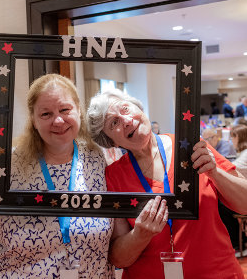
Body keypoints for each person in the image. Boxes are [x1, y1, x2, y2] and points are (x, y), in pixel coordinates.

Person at [0, 74, 115, 278]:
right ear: (33, 120)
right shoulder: (8, 165)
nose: (58, 120)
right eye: (46, 114)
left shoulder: (98, 158)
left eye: (65, 109)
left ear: (78, 110)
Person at [87, 88, 247, 279]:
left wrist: (215, 173)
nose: (127, 121)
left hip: (218, 273)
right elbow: (119, 259)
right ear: (111, 141)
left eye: (125, 109)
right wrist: (139, 235)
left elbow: (244, 204)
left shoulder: (191, 146)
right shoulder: (114, 176)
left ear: (138, 107)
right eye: (114, 122)